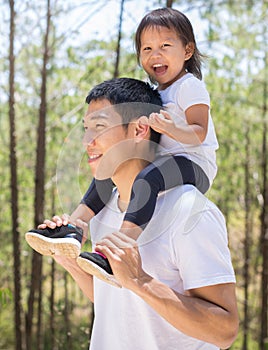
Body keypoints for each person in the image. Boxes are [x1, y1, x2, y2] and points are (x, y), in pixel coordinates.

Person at [28, 77, 238, 349]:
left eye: (99, 127)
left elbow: (224, 331)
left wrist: (142, 281)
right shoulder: (103, 213)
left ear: (139, 129)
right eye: (86, 129)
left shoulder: (189, 211)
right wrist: (71, 260)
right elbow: (114, 301)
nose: (86, 141)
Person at [26, 7, 219, 281]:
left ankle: (119, 247)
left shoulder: (190, 86)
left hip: (194, 166)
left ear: (187, 51)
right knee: (110, 168)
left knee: (147, 177)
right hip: (162, 161)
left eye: (165, 46)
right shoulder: (157, 93)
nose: (155, 55)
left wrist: (172, 128)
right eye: (147, 48)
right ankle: (74, 226)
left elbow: (199, 132)